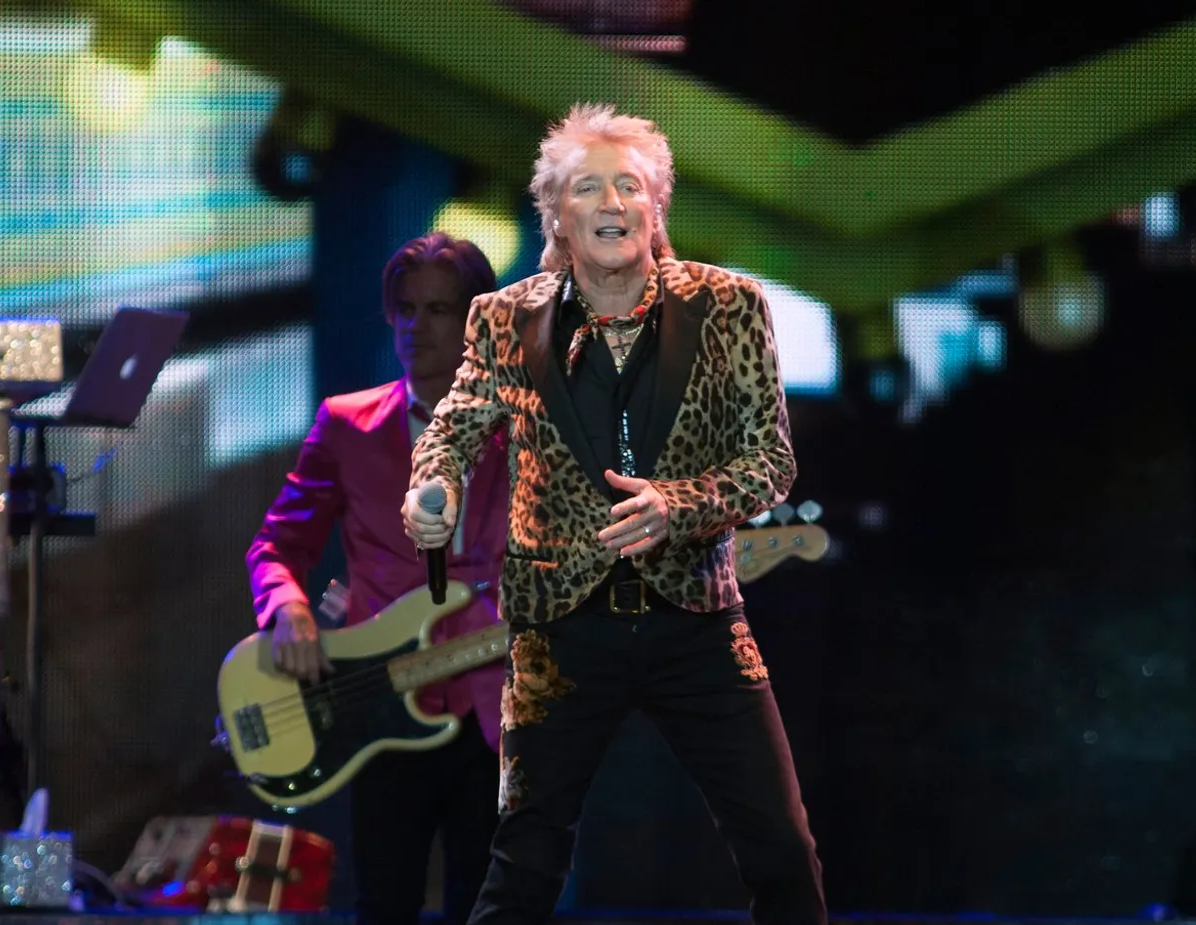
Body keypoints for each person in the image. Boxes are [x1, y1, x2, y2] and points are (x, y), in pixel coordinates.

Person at [402, 104, 827, 925]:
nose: (610, 202)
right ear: (556, 214)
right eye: (588, 187)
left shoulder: (729, 306)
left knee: (780, 847)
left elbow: (770, 460)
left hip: (695, 621)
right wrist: (435, 488)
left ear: (655, 205)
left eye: (628, 185)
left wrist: (681, 505)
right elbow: (453, 426)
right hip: (560, 628)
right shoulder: (503, 318)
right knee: (523, 859)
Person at [246, 232, 509, 925]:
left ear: (476, 320)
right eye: (405, 308)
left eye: (440, 309)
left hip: (498, 708)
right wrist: (288, 610)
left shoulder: (528, 428)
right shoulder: (346, 424)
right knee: (383, 905)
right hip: (382, 711)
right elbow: (276, 543)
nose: (416, 326)